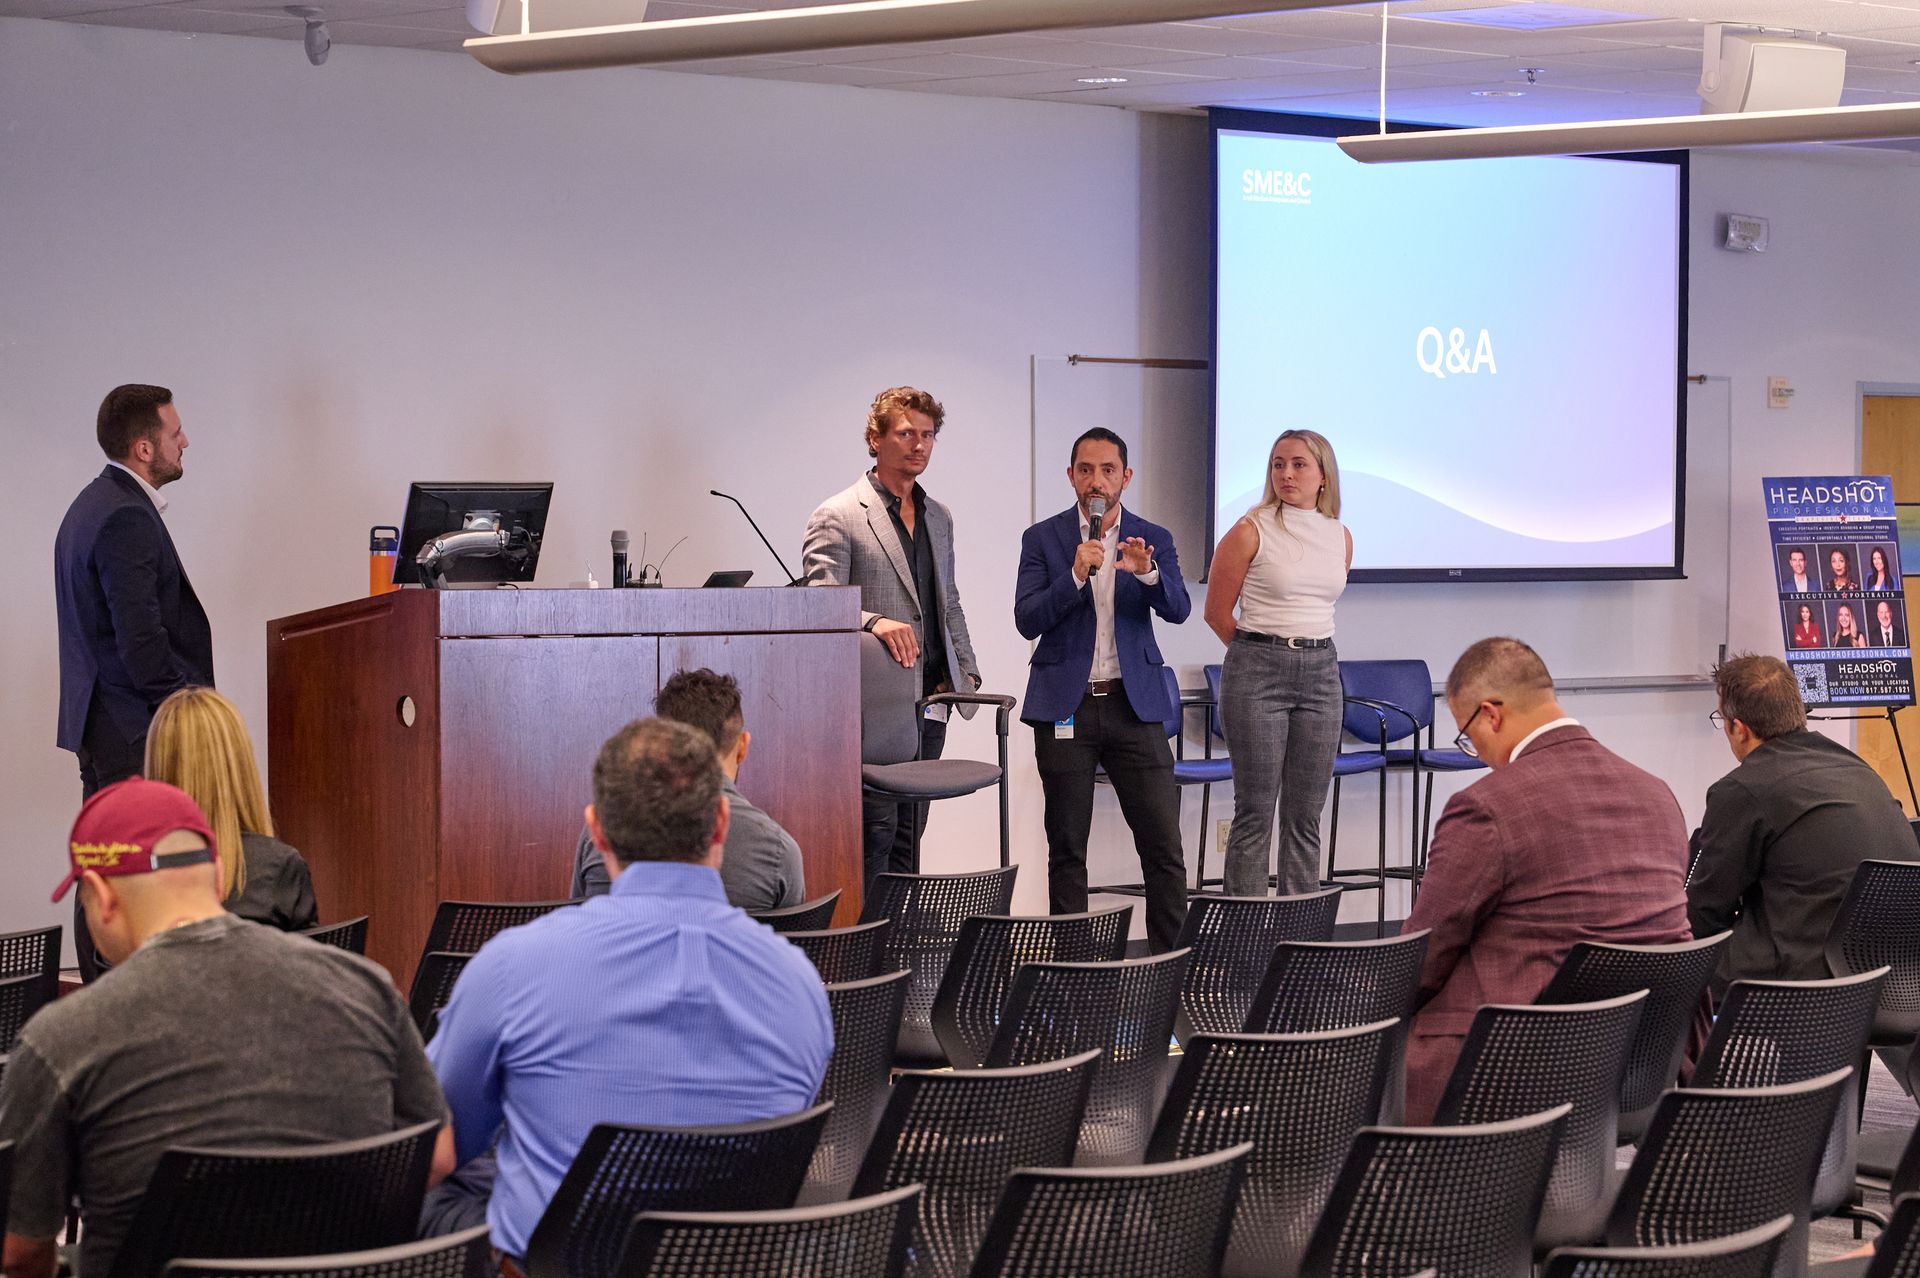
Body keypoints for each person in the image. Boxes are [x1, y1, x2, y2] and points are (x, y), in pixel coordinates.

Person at [0, 779, 452, 1278]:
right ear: (217, 879)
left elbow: (19, 1254)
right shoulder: (368, 987)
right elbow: (438, 1155)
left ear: (102, 898)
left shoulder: (62, 1039)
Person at [422, 717, 831, 1259]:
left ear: (597, 832)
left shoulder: (512, 966)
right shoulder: (801, 984)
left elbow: (435, 1149)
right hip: (725, 1263)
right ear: (721, 824)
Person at [1399, 637, 1692, 1124]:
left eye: (1468, 738)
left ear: (1491, 714)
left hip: (1510, 1069)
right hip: (1640, 1059)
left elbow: (1426, 954)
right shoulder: (1656, 792)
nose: (1478, 755)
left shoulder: (1488, 807)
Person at [55, 384, 215, 981]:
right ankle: (126, 1002)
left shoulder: (89, 506)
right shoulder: (124, 514)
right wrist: (189, 709)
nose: (186, 441)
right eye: (176, 433)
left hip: (104, 722)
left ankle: (104, 997)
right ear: (145, 447)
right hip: (134, 726)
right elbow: (142, 644)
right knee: (131, 872)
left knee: (101, 864)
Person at [1014, 428, 1191, 952]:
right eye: (1085, 469)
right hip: (1065, 707)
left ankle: (1169, 971)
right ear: (1070, 476)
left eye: (1108, 470)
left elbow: (1179, 609)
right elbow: (1026, 620)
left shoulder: (1150, 536)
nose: (1097, 480)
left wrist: (1150, 573)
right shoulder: (1042, 539)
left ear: (1125, 477)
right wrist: (1072, 575)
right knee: (1067, 849)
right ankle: (1075, 977)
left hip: (1133, 707)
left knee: (1163, 847)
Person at [803, 386, 982, 886]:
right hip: (873, 706)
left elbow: (949, 601)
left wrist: (965, 671)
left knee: (911, 838)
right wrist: (872, 621)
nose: (919, 445)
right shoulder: (838, 515)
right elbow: (820, 609)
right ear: (876, 439)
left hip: (931, 701)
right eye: (906, 433)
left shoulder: (939, 517)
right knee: (873, 838)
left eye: (928, 435)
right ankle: (863, 955)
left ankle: (899, 955)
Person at [1688, 654, 1919, 994]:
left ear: (1739, 728)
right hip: (1896, 977)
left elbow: (1705, 911)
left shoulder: (1742, 789)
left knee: (1677, 970)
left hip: (1806, 983)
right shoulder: (1856, 768)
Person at [1203, 430, 1351, 896]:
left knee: (1306, 817)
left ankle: (1299, 946)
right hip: (1258, 669)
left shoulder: (1341, 536)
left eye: (1299, 465)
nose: (1286, 474)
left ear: (1323, 475)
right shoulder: (1252, 528)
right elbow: (1216, 613)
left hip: (1322, 671)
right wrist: (1256, 654)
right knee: (1255, 812)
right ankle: (1246, 952)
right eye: (1278, 464)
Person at [569, 668, 805, 911]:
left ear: (662, 742)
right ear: (742, 746)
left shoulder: (603, 830)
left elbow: (576, 919)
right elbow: (800, 944)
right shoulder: (780, 851)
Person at [145, 686, 318, 930]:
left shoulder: (131, 872)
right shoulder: (280, 866)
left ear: (157, 765)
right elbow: (307, 965)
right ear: (240, 764)